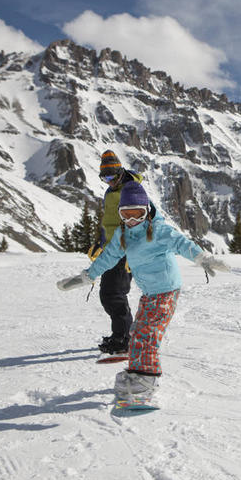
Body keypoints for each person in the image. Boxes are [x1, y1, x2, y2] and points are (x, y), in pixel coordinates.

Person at [57, 181, 230, 403]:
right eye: (126, 214)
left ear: (147, 212)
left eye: (137, 214)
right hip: (150, 292)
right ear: (120, 215)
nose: (131, 220)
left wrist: (202, 258)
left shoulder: (158, 230)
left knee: (146, 334)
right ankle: (139, 370)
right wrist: (87, 276)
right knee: (137, 330)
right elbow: (108, 257)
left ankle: (146, 379)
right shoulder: (123, 235)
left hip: (166, 289)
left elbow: (181, 243)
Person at [91, 150, 143, 355]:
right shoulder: (112, 191)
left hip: (125, 250)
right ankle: (122, 335)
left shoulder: (131, 188)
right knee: (111, 293)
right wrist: (101, 242)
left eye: (112, 176)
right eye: (104, 178)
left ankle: (125, 340)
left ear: (120, 171)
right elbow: (111, 221)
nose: (109, 181)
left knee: (113, 294)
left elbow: (140, 219)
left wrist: (135, 251)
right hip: (113, 249)